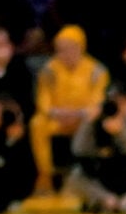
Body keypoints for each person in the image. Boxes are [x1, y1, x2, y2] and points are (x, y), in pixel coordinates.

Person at [34, 23, 108, 192]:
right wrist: (57, 114)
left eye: (70, 48)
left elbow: (98, 102)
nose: (65, 53)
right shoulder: (49, 70)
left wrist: (79, 115)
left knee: (98, 120)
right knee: (37, 124)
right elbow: (43, 101)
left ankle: (90, 176)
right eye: (61, 49)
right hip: (58, 120)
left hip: (84, 120)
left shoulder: (97, 70)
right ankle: (46, 175)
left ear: (81, 47)